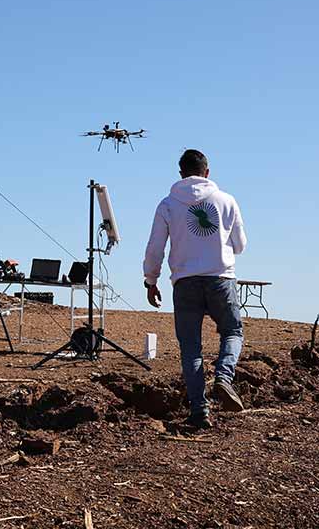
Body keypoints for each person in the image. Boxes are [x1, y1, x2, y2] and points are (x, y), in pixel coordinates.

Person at [143, 149, 248, 429]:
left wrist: (150, 280)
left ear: (180, 174)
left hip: (185, 282)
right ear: (207, 172)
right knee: (233, 332)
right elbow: (240, 245)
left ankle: (199, 412)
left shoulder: (167, 204)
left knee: (191, 348)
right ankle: (224, 378)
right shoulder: (226, 201)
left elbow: (156, 248)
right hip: (220, 279)